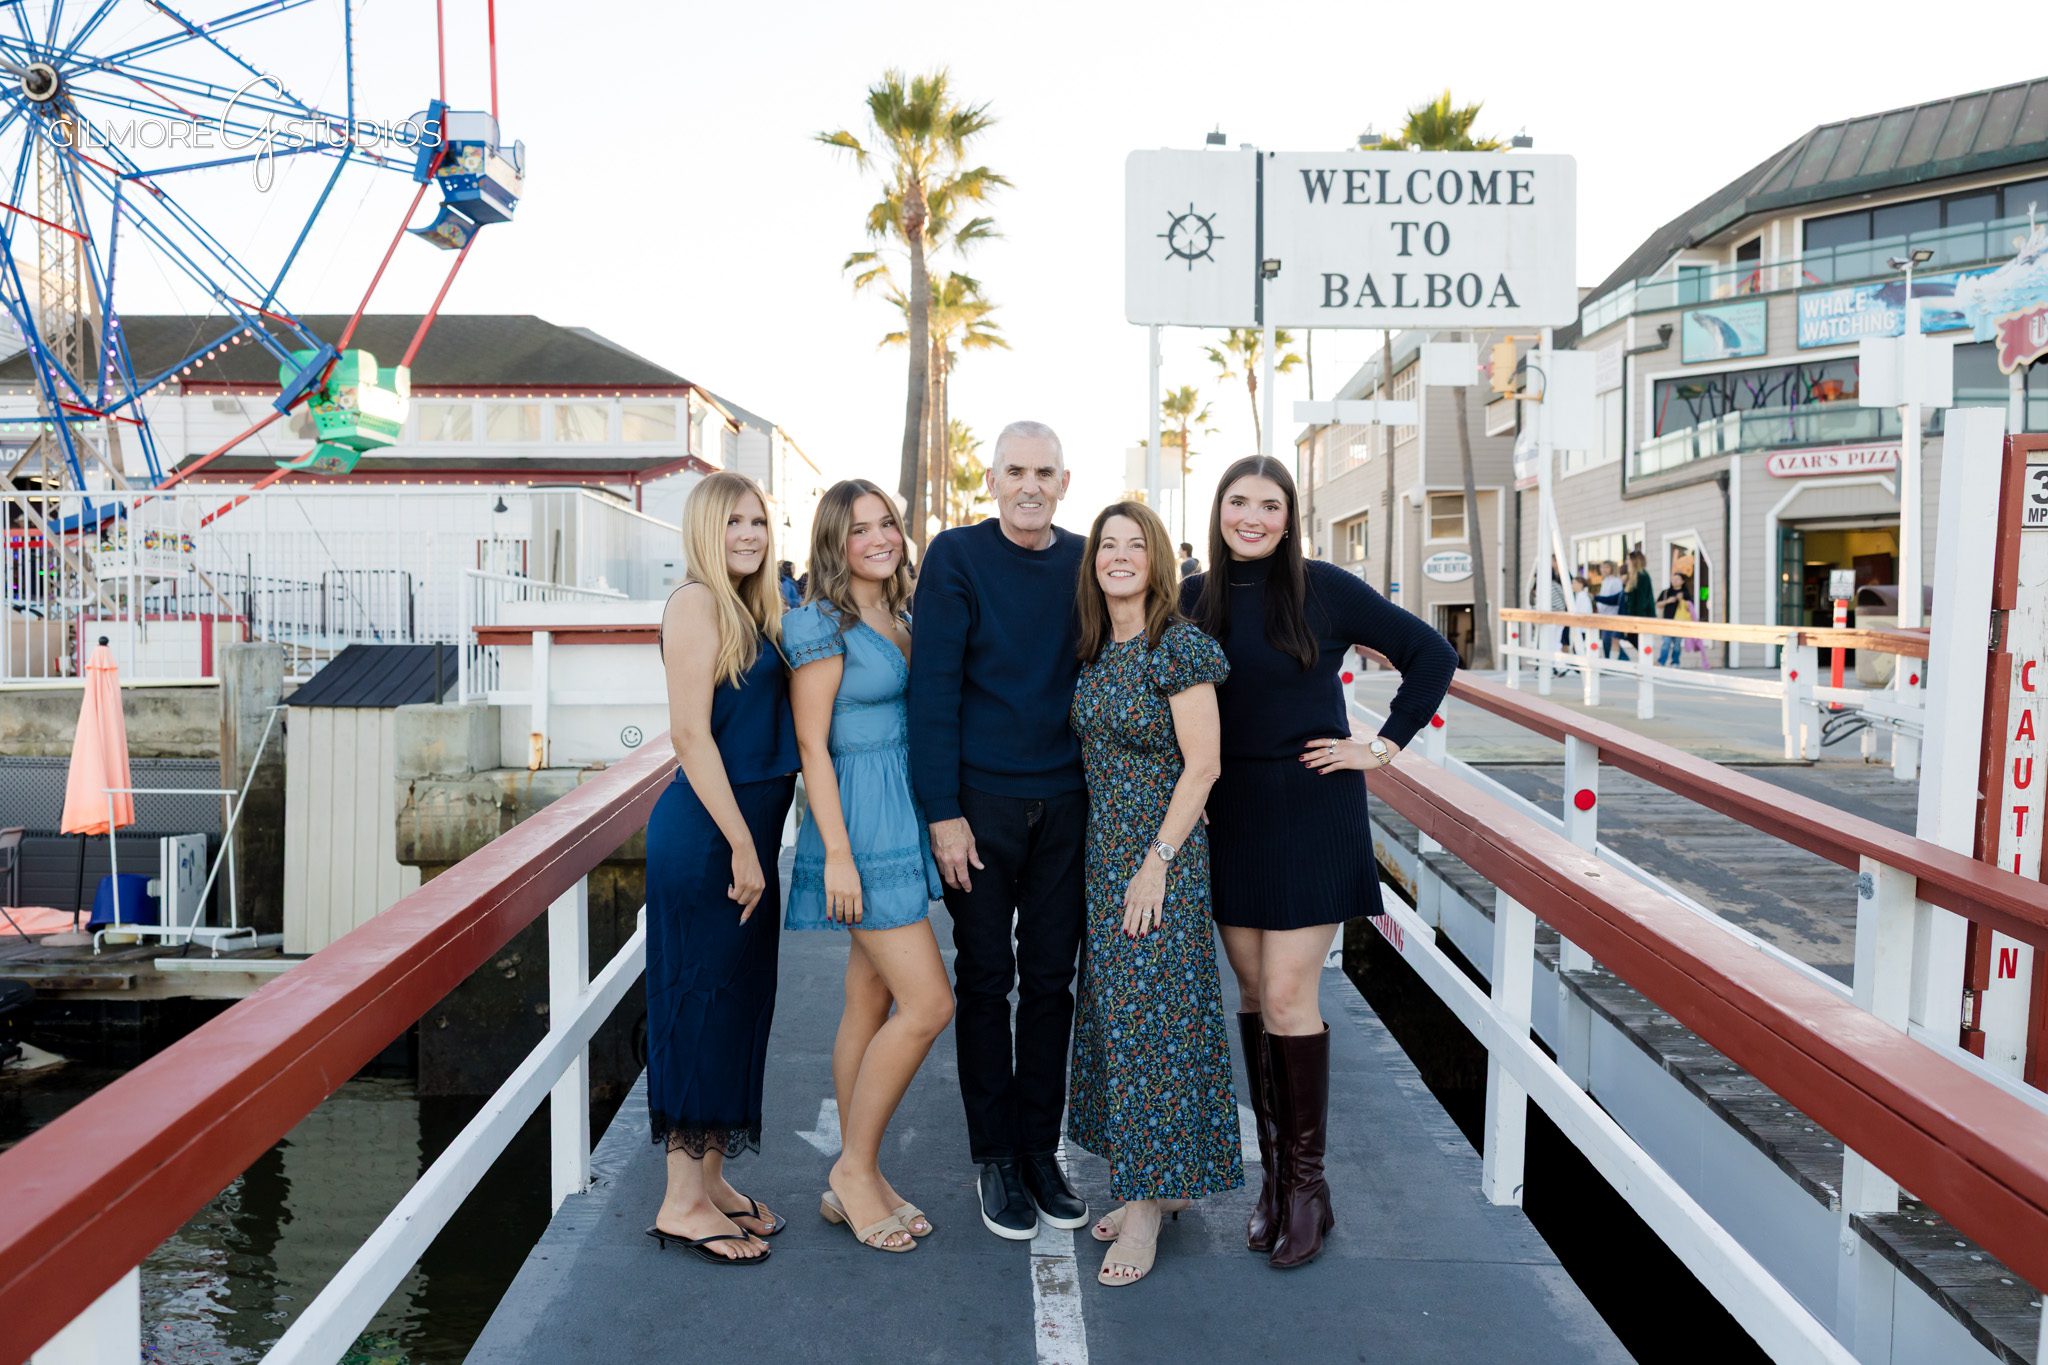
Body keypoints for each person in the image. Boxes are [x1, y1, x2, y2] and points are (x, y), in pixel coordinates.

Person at [1184, 455, 1456, 1271]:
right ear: (1220, 510)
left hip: (1311, 801)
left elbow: (1430, 653)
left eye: (1270, 504)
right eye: (1240, 502)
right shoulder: (1192, 598)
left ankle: (1307, 1186)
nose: (1254, 517)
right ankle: (1275, 1181)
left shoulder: (1323, 586)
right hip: (1230, 811)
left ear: (1289, 514)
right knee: (1256, 991)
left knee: (1293, 993)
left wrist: (1379, 746)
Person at [908, 419, 1091, 1241]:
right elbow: (933, 690)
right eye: (1014, 469)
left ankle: (1038, 1150)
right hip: (979, 808)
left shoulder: (1089, 559)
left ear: (1063, 481)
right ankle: (994, 1156)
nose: (1029, 483)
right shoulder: (957, 555)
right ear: (991, 479)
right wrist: (942, 813)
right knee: (986, 979)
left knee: (1053, 981)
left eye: (1044, 471)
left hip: (1066, 804)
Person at [1065, 499, 1240, 1288]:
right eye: (1109, 545)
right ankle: (1160, 1181)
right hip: (1106, 860)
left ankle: (1142, 1207)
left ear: (1157, 559)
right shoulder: (1097, 650)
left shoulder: (1179, 646)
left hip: (1158, 861)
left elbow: (1203, 766)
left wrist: (1157, 861)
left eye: (1136, 544)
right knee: (1120, 1018)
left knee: (1154, 1026)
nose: (1121, 556)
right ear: (1095, 561)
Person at [783, 480, 950, 1254]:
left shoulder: (902, 610)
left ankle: (861, 1174)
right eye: (861, 529)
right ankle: (854, 1172)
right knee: (928, 1004)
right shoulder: (821, 623)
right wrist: (839, 855)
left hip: (898, 809)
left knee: (869, 999)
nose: (880, 537)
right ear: (834, 542)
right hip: (857, 824)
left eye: (888, 523)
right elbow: (813, 745)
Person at [644, 471, 797, 1266]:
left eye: (759, 520)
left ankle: (712, 1180)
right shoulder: (697, 602)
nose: (749, 533)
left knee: (738, 1005)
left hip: (746, 836)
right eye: (734, 520)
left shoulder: (755, 607)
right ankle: (679, 1201)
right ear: (706, 528)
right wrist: (742, 843)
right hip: (710, 838)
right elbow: (690, 736)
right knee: (697, 1005)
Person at [1623, 551, 1656, 657]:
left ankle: (1651, 663)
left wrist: (1635, 618)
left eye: (1628, 559)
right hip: (1636, 614)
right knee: (1636, 639)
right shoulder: (1633, 576)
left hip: (1642, 615)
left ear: (1634, 561)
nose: (1626, 562)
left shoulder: (1642, 576)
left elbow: (1642, 600)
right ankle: (1649, 663)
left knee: (1637, 639)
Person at [1654, 572, 1686, 667]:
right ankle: (1661, 662)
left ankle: (1675, 662)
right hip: (1667, 622)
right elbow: (1657, 604)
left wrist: (1681, 600)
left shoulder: (1686, 593)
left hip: (1679, 623)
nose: (1674, 581)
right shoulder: (1666, 592)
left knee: (1677, 645)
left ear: (1682, 581)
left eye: (1677, 579)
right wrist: (1668, 601)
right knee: (1666, 642)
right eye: (1673, 579)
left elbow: (1690, 607)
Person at [1592, 560, 1623, 658]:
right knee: (1606, 641)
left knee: (1609, 640)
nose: (1604, 570)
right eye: (1602, 567)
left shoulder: (1616, 581)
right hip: (1604, 615)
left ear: (1612, 568)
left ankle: (1621, 661)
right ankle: (1610, 661)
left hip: (1612, 615)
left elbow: (1615, 599)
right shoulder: (1605, 581)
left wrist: (1596, 598)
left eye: (1606, 567)